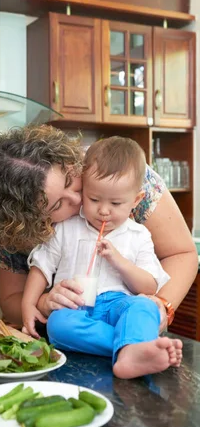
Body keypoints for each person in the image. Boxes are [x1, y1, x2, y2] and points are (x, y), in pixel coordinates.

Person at [0, 125, 198, 337]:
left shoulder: (116, 172)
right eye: (57, 205)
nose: (78, 198)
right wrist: (44, 302)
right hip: (65, 333)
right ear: (29, 221)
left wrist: (161, 305)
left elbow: (182, 254)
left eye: (72, 181)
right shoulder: (14, 222)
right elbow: (12, 300)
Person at [22, 137, 182, 379]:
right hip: (77, 306)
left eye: (116, 203)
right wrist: (28, 304)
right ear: (83, 190)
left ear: (136, 200)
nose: (104, 210)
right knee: (58, 325)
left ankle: (131, 348)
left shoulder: (138, 234)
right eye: (94, 199)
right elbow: (41, 267)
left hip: (120, 304)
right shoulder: (67, 227)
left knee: (145, 306)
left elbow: (149, 286)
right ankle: (132, 348)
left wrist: (119, 261)